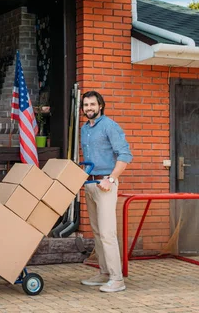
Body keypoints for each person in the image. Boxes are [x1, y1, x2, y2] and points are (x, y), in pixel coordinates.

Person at [80, 90, 132, 293]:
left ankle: (117, 279)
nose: (89, 108)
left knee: (108, 233)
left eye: (92, 104)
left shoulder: (109, 126)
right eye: (86, 105)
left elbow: (125, 155)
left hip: (105, 185)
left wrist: (111, 179)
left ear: (100, 106)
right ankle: (104, 273)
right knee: (97, 232)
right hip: (90, 185)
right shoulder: (85, 128)